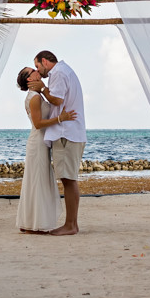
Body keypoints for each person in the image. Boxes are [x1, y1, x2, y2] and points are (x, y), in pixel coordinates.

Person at [27, 51, 85, 236]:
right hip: (68, 132)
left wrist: (43, 89)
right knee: (69, 179)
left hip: (65, 133)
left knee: (68, 180)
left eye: (37, 66)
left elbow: (58, 99)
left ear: (45, 61)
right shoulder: (63, 71)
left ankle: (71, 225)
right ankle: (71, 224)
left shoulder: (58, 73)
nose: (38, 71)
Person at [14, 67, 77, 233]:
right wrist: (60, 118)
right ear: (29, 79)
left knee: (36, 181)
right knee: (37, 182)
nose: (37, 71)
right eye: (33, 71)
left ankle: (29, 221)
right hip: (37, 144)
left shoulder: (38, 95)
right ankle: (34, 224)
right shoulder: (34, 98)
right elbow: (38, 123)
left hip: (42, 143)